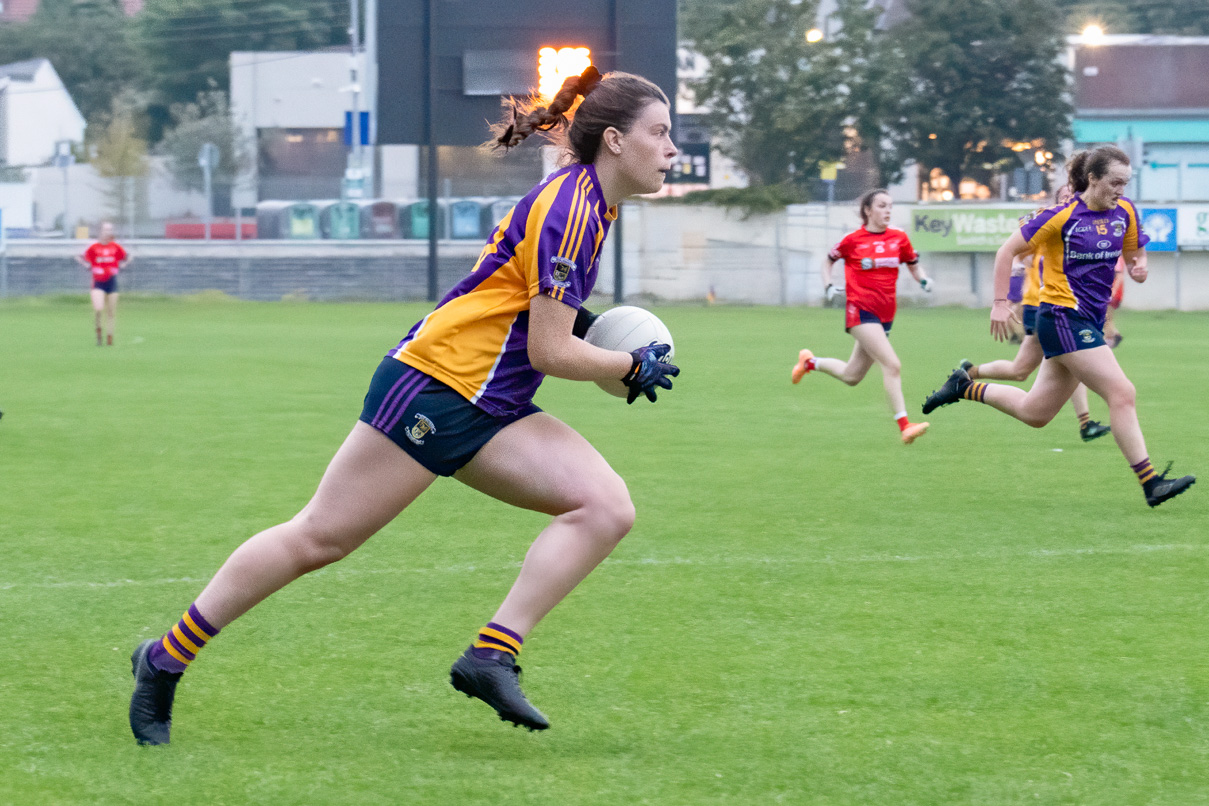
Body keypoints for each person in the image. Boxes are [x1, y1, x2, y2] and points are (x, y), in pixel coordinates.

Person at [128, 67, 682, 745]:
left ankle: (490, 655)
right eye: (661, 133)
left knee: (604, 507)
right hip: (437, 386)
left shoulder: (590, 204)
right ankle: (162, 660)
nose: (671, 148)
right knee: (318, 538)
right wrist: (626, 363)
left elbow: (522, 306)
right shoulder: (573, 210)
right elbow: (550, 351)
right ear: (617, 141)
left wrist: (607, 350)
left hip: (492, 400)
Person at [922, 145, 1195, 507]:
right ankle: (1151, 483)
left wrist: (1138, 266)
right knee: (1122, 392)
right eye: (1114, 182)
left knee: (1035, 413)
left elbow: (1134, 251)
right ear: (1093, 179)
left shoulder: (1125, 212)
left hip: (1089, 322)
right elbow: (1006, 252)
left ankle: (963, 386)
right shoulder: (1060, 216)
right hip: (1062, 318)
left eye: (1126, 183)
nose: (1121, 190)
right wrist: (1001, 304)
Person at [958, 186, 1111, 443]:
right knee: (1070, 362)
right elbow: (1013, 249)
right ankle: (1085, 423)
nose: (1070, 199)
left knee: (1022, 370)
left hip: (1062, 310)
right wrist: (1020, 267)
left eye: (1074, 195)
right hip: (1040, 306)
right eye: (1064, 196)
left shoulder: (1080, 232)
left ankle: (970, 372)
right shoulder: (1049, 225)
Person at [791, 188, 933, 444]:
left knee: (852, 376)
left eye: (890, 206)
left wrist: (923, 279)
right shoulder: (853, 240)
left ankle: (809, 363)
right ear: (868, 210)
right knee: (892, 365)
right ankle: (904, 426)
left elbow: (912, 264)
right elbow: (827, 261)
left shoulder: (899, 238)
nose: (887, 210)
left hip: (886, 314)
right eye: (881, 205)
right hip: (860, 311)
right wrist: (828, 286)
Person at [76, 221, 129, 346]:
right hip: (98, 282)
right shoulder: (94, 247)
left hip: (112, 281)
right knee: (99, 308)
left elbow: (127, 257)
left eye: (110, 230)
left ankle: (109, 337)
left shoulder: (115, 247)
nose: (108, 232)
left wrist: (123, 265)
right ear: (100, 231)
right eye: (106, 230)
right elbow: (79, 257)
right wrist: (87, 265)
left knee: (111, 312)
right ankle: (99, 332)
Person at [1104, 255, 1126, 348]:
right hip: (1109, 290)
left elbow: (1120, 275)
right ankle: (1114, 334)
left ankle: (1109, 339)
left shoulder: (1116, 257)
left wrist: (1113, 291)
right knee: (1107, 317)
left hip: (1112, 291)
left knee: (1106, 317)